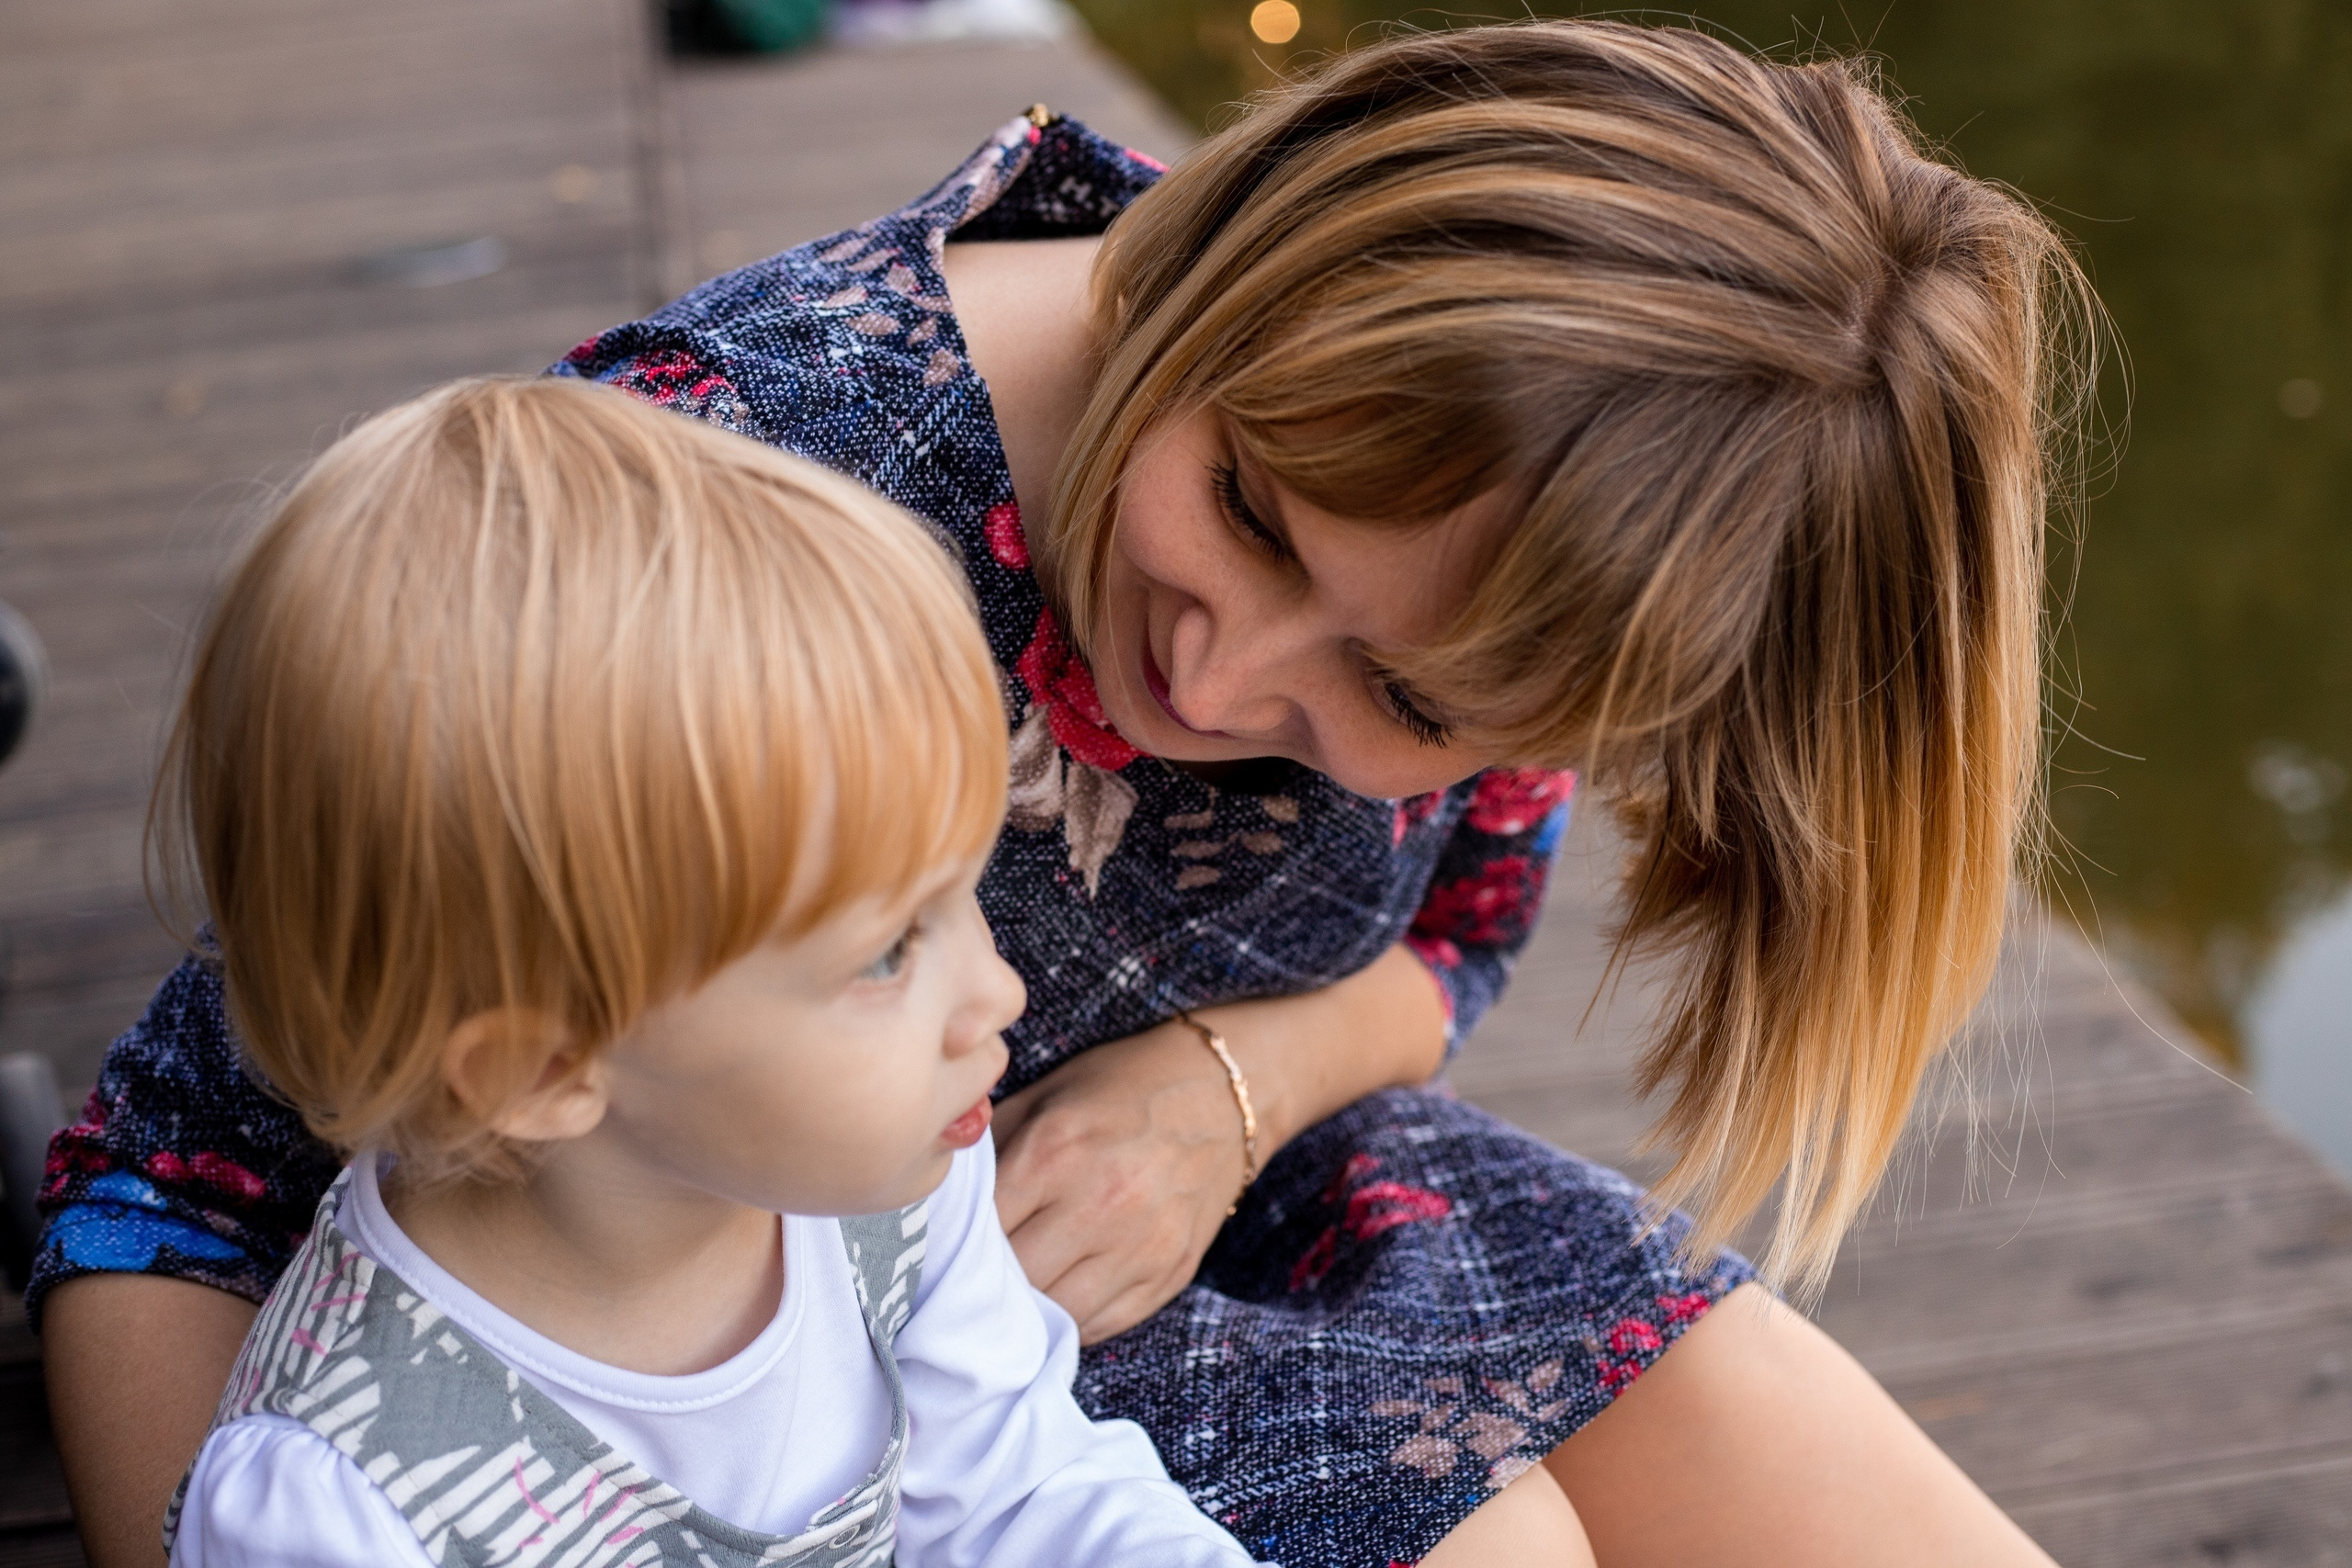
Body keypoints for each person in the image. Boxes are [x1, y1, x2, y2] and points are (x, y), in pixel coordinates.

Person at [40, 20, 2088, 1568]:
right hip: (739, 1247)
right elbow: (190, 1155)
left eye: (1398, 694)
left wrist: (1217, 1095)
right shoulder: (742, 493)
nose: (1215, 675)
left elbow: (1452, 936)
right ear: (1231, 261)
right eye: (1254, 516)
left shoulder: (1518, 537)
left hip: (1129, 1202)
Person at [153, 375, 1263, 1568]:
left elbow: (1018, 1494)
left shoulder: (886, 1182)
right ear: (542, 1068)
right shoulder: (351, 1499)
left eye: (963, 895)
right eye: (887, 951)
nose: (996, 995)